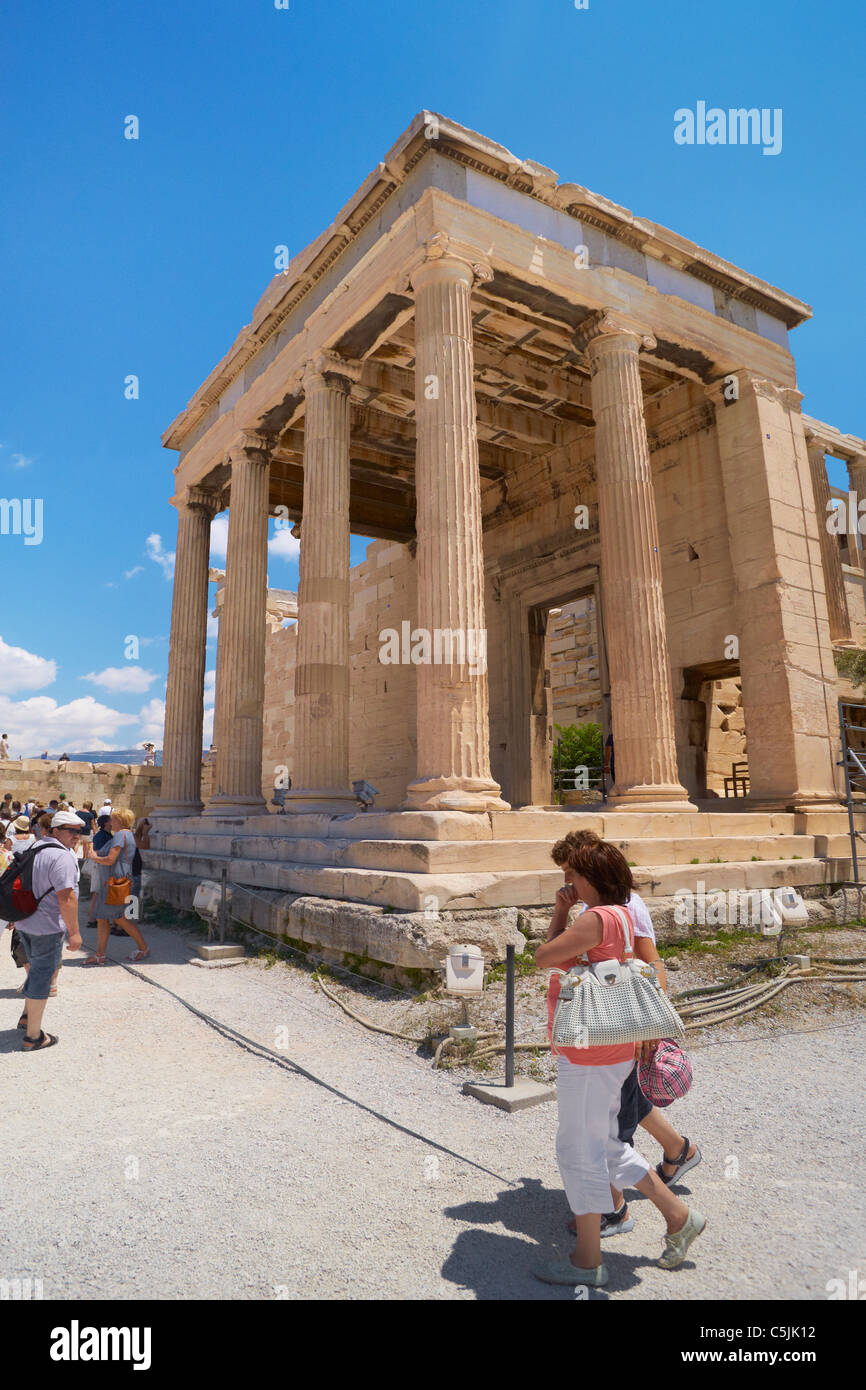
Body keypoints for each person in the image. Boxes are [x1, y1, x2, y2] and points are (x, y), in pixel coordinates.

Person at [534, 836, 705, 1285]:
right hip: (612, 1048)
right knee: (606, 1145)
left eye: (574, 874)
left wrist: (560, 911)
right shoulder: (624, 916)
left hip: (590, 1052)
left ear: (591, 878)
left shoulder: (596, 918)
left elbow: (543, 957)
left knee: (578, 1149)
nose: (569, 881)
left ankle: (587, 1261)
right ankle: (677, 1214)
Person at [11, 810, 84, 1050]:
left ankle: (26, 1017)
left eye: (79, 831)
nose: (76, 836)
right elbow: (67, 898)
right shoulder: (62, 858)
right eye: (71, 830)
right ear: (55, 830)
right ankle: (33, 1037)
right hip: (47, 927)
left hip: (26, 922)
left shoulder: (36, 848)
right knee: (43, 977)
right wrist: (74, 932)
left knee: (36, 970)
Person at [84, 807, 150, 964]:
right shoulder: (128, 835)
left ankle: (143, 948)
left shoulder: (120, 835)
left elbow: (110, 859)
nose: (110, 822)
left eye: (112, 819)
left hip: (114, 882)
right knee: (104, 917)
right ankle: (100, 954)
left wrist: (93, 856)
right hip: (115, 881)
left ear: (119, 820)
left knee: (119, 918)